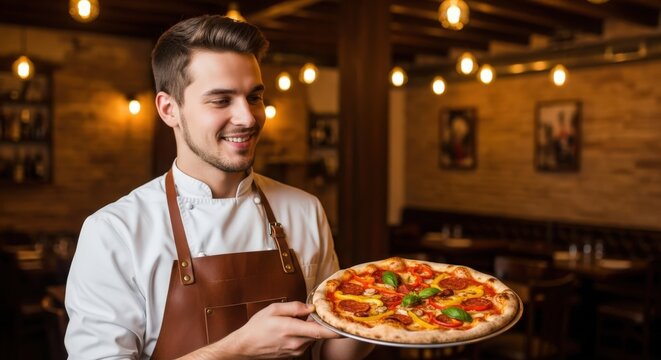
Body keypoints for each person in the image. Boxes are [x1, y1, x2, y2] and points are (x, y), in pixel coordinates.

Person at [64, 15, 374, 359]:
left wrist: (392, 312)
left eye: (254, 97)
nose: (248, 117)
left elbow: (334, 351)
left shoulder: (304, 209)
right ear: (169, 109)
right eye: (221, 100)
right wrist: (239, 348)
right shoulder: (114, 232)